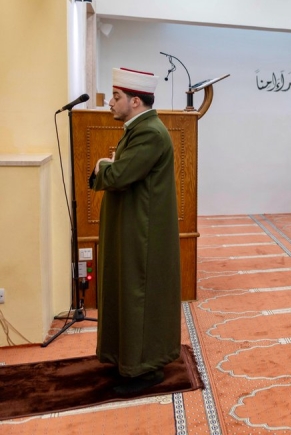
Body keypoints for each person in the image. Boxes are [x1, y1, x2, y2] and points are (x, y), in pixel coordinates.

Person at [90, 67, 180, 394]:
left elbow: (119, 175)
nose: (110, 102)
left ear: (136, 101)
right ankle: (127, 360)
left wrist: (102, 166)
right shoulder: (138, 128)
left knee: (139, 295)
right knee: (128, 292)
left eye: (116, 97)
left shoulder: (150, 133)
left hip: (144, 232)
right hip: (134, 226)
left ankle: (145, 369)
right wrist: (109, 165)